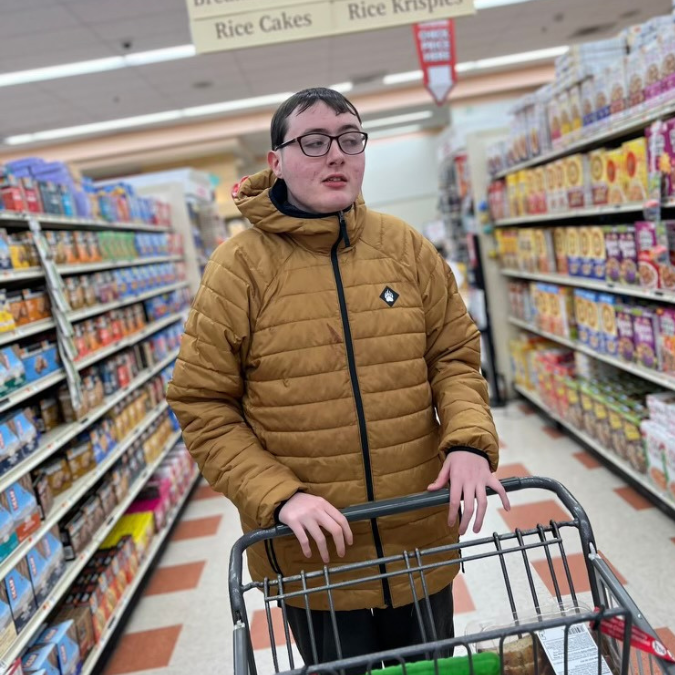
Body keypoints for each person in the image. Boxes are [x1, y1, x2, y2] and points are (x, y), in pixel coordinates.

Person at [166, 87, 509, 670]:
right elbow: (202, 403)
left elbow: (453, 355)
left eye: (350, 139)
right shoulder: (238, 268)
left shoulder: (404, 246)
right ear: (276, 161)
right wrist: (279, 496)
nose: (337, 156)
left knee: (429, 667)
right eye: (314, 142)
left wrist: (470, 442)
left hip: (416, 537)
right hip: (313, 553)